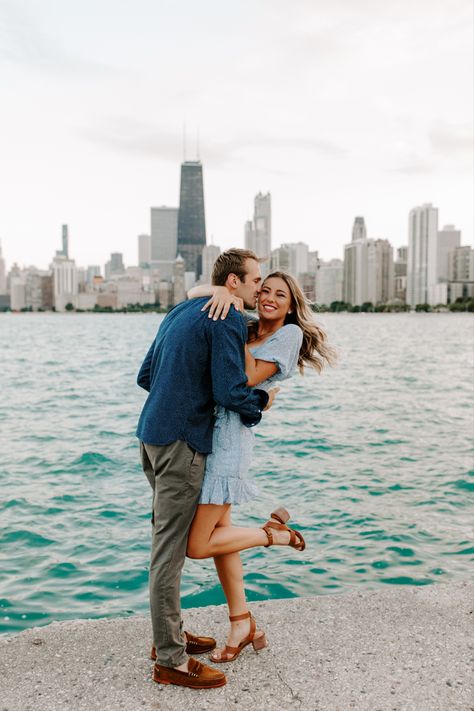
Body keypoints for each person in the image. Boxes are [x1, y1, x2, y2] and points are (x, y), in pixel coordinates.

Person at [135, 248, 280, 690]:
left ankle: (169, 638)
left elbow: (146, 375)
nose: (259, 289)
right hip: (182, 444)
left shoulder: (182, 309)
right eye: (255, 281)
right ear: (233, 283)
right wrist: (263, 403)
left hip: (151, 436)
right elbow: (231, 389)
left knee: (166, 541)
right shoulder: (230, 318)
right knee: (170, 551)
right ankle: (171, 661)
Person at [185, 269, 336, 663]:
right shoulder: (246, 325)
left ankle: (276, 535)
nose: (269, 298)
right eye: (264, 290)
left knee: (197, 545)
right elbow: (191, 293)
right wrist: (221, 291)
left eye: (279, 295)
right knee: (222, 540)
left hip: (230, 443)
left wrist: (231, 332)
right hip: (209, 433)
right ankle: (242, 621)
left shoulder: (288, 335)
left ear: (291, 305)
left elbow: (247, 378)